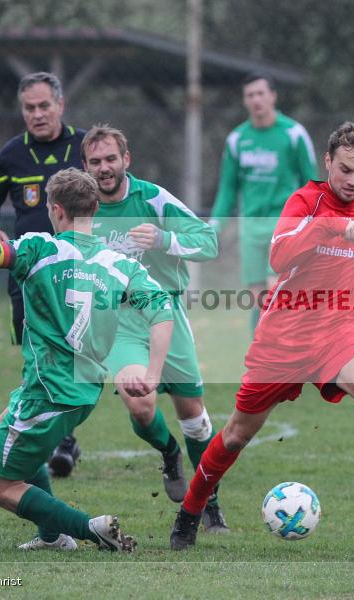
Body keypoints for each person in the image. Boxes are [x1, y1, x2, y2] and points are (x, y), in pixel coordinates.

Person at [170, 121, 354, 550]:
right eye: (345, 169)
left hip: (339, 328)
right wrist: (328, 226)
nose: (351, 181)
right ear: (327, 161)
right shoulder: (304, 202)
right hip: (285, 337)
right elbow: (279, 253)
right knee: (236, 434)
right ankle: (191, 509)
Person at [0, 162, 174, 552]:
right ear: (95, 210)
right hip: (83, 392)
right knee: (3, 427)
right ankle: (50, 536)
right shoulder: (120, 264)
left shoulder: (39, 248)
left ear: (56, 210)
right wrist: (152, 373)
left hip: (49, 392)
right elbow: (162, 309)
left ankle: (87, 529)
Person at [81, 124, 229, 533]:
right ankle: (168, 452)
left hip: (166, 312)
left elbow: (209, 242)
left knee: (194, 417)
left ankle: (210, 501)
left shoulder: (153, 198)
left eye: (111, 159)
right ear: (86, 166)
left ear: (126, 160)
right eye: (95, 162)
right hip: (120, 322)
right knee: (140, 402)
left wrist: (164, 239)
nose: (104, 168)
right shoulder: (83, 207)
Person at [0, 71, 88, 476]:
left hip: (77, 270)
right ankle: (53, 431)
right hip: (27, 269)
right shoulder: (12, 154)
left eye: (44, 106)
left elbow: (112, 192)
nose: (37, 114)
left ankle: (64, 436)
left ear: (61, 105)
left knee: (70, 347)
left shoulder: (84, 147)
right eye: (29, 108)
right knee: (34, 348)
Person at [209, 72, 317, 334]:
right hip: (251, 227)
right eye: (250, 95)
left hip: (285, 223)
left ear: (273, 96)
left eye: (260, 93)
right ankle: (260, 357)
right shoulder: (237, 139)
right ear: (244, 101)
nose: (256, 99)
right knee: (257, 297)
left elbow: (311, 183)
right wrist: (215, 225)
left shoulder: (293, 134)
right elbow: (228, 189)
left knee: (275, 288)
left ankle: (290, 351)